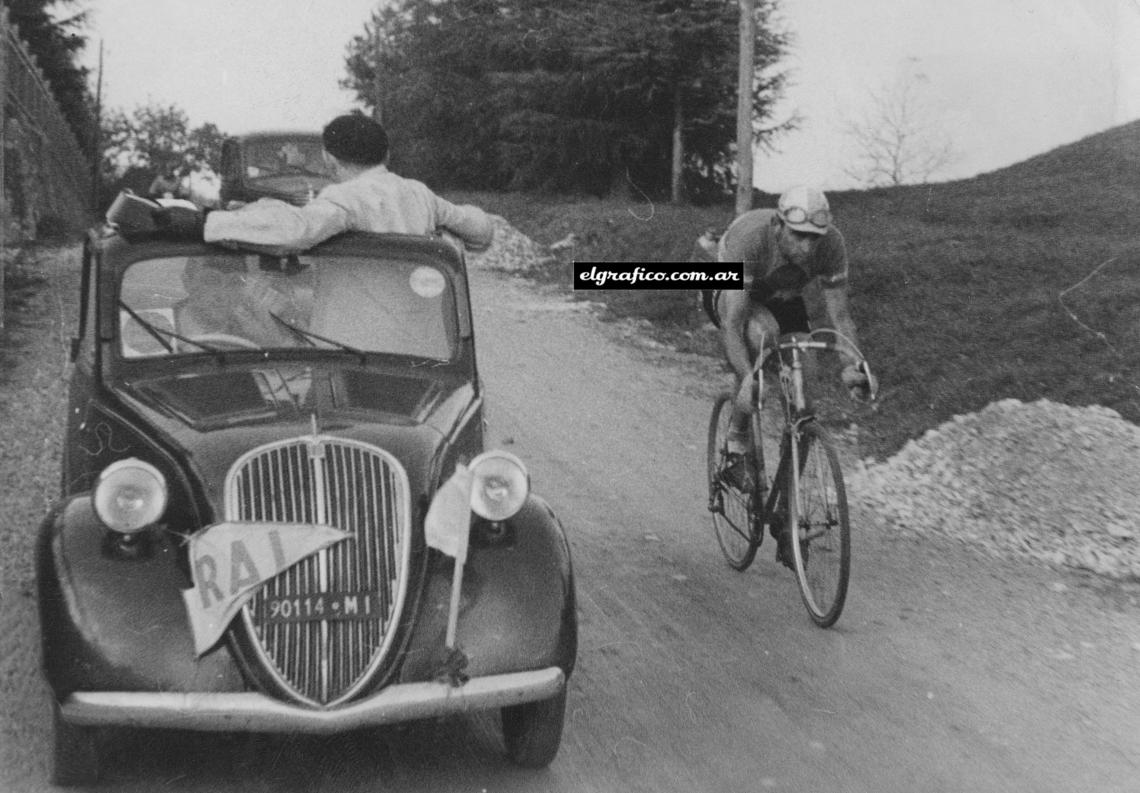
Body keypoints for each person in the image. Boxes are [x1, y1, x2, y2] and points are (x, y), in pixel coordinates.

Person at [703, 186, 872, 559]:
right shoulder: (752, 240)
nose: (808, 248)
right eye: (799, 236)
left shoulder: (832, 245)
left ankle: (785, 514)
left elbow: (840, 316)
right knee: (760, 337)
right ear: (779, 225)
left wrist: (851, 365)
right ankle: (735, 445)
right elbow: (732, 325)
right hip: (733, 295)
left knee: (805, 400)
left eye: (815, 238)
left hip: (782, 296)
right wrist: (748, 377)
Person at [155, 114, 494, 252]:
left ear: (330, 159)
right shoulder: (419, 193)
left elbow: (298, 230)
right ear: (386, 154)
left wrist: (206, 222)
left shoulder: (344, 198)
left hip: (355, 332)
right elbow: (481, 230)